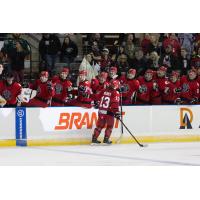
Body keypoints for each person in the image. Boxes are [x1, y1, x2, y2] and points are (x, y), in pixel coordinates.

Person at [91, 79, 121, 144]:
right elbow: (114, 104)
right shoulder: (115, 93)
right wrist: (116, 112)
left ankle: (94, 139)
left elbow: (97, 97)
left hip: (101, 111)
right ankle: (106, 139)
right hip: (109, 112)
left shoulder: (103, 90)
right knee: (110, 126)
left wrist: (89, 96)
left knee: (99, 126)